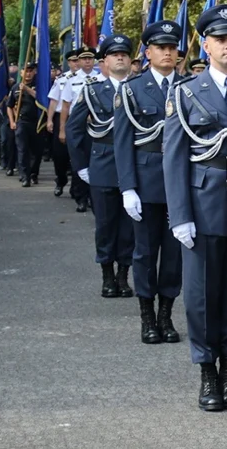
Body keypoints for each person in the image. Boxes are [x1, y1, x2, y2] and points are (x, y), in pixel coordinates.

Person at [163, 7, 227, 411]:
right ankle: (207, 374)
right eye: (220, 39)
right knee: (202, 297)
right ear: (205, 45)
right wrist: (179, 216)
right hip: (202, 205)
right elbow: (174, 157)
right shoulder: (186, 92)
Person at [117, 22, 184, 347]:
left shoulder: (188, 87)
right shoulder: (131, 89)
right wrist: (128, 187)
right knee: (144, 253)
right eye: (161, 48)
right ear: (148, 53)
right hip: (145, 182)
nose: (168, 52)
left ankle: (166, 316)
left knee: (174, 255)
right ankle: (147, 317)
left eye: (172, 48)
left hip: (180, 184)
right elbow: (123, 141)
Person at [69, 36, 135, 299]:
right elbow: (74, 129)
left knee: (131, 224)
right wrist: (81, 166)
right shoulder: (92, 90)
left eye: (124, 54)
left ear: (130, 60)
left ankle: (123, 275)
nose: (120, 57)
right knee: (106, 224)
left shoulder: (140, 88)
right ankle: (107, 274)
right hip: (104, 163)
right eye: (114, 54)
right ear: (104, 62)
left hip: (135, 163)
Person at [61, 48, 98, 212]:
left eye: (90, 58)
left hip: (97, 126)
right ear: (79, 61)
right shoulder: (71, 80)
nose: (88, 61)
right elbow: (66, 106)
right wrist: (62, 129)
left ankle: (93, 196)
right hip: (78, 126)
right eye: (84, 59)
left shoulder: (101, 79)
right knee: (79, 161)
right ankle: (80, 197)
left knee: (95, 162)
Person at [7, 62, 44, 188]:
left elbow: (42, 99)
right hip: (22, 122)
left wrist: (27, 89)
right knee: (22, 150)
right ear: (21, 72)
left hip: (38, 122)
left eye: (30, 71)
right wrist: (12, 121)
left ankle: (34, 173)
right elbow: (9, 106)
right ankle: (25, 176)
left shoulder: (39, 86)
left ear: (34, 72)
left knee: (37, 151)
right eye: (25, 71)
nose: (28, 74)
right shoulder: (15, 87)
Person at [47, 50, 78, 197]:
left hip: (81, 118)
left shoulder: (92, 78)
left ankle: (77, 188)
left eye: (78, 60)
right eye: (73, 61)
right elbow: (54, 101)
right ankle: (61, 180)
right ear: (69, 63)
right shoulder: (62, 79)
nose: (76, 63)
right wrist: (49, 120)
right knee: (60, 155)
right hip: (62, 118)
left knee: (78, 155)